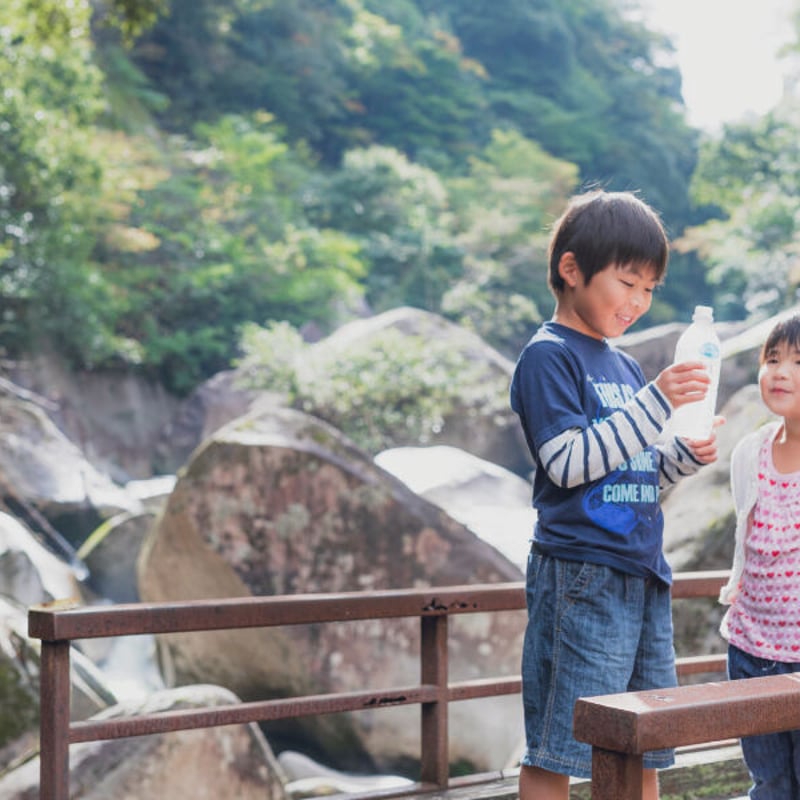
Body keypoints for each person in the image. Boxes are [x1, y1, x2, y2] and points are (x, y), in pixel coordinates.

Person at [510, 189, 722, 800]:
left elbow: (633, 477)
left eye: (649, 289)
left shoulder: (624, 367)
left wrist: (681, 458)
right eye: (627, 282)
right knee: (560, 745)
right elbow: (569, 462)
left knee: (644, 741)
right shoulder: (547, 358)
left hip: (642, 572)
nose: (637, 302)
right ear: (571, 270)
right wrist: (658, 400)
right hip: (581, 573)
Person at [719, 314, 800, 799]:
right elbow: (744, 548)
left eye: (798, 361)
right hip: (751, 652)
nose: (780, 371)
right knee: (768, 786)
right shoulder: (750, 454)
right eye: (772, 359)